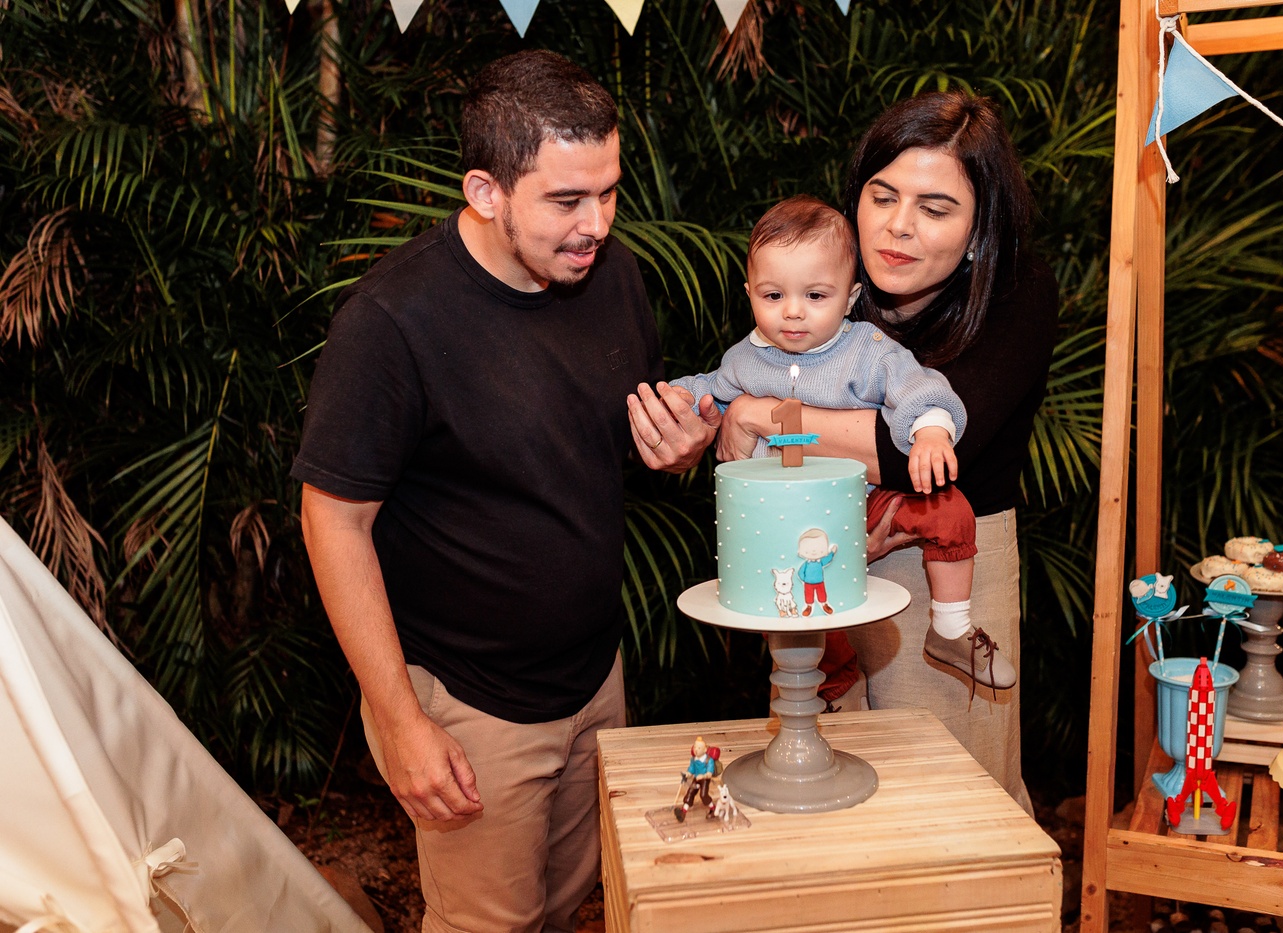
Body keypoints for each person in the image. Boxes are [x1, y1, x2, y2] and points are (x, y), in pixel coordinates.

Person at [293, 50, 710, 933]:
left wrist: (675, 450)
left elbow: (615, 441)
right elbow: (333, 522)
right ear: (486, 192)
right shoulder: (391, 322)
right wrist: (400, 722)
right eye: (567, 200)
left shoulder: (612, 273)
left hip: (594, 678)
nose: (596, 224)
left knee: (563, 911)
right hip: (468, 700)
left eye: (610, 192)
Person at [634, 91, 1056, 813]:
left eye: (935, 208)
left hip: (944, 562)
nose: (898, 225)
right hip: (814, 547)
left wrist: (760, 412)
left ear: (980, 228)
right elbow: (727, 398)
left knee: (948, 795)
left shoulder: (1015, 293)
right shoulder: (816, 280)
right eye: (882, 196)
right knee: (809, 771)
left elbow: (902, 451)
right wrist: (693, 425)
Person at [663, 195, 1013, 706]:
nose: (793, 311)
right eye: (773, 295)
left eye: (815, 295)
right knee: (800, 606)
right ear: (749, 294)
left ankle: (951, 626)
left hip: (860, 501)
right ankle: (828, 685)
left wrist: (932, 432)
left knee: (949, 509)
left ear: (850, 298)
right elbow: (707, 390)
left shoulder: (868, 351)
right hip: (780, 518)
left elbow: (918, 389)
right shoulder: (745, 358)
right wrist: (677, 399)